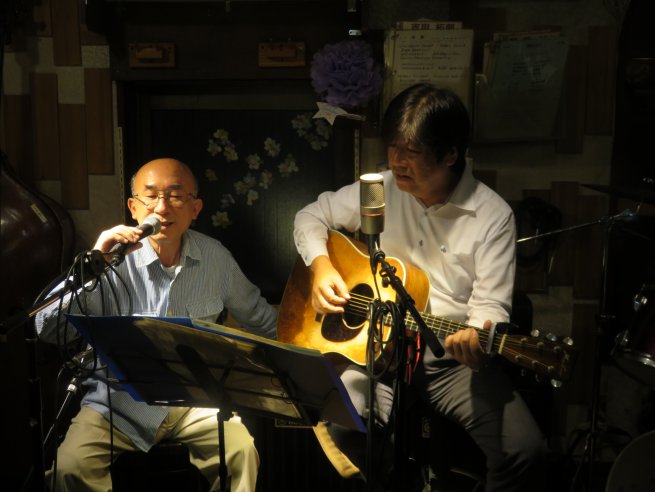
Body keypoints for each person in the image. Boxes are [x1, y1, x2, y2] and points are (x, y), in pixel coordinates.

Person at [293, 83, 547, 491]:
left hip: (449, 359)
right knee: (345, 424)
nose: (397, 161)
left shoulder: (492, 215)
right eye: (393, 146)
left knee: (523, 450)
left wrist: (477, 336)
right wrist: (321, 265)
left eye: (411, 151)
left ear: (450, 154)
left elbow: (490, 308)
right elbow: (311, 215)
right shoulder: (380, 189)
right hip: (376, 347)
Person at [37, 158, 278, 492]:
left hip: (194, 400)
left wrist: (317, 350)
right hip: (117, 402)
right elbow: (46, 329)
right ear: (133, 207)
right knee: (70, 467)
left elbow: (261, 319)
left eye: (176, 196)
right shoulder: (110, 260)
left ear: (195, 209)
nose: (162, 208)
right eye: (150, 196)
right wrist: (92, 265)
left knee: (241, 453)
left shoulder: (216, 258)